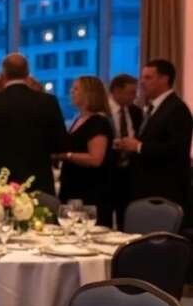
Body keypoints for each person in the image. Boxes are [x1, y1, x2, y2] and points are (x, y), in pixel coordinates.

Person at [0, 54, 69, 195]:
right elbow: (61, 145)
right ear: (27, 73)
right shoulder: (48, 102)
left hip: (0, 185)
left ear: (2, 75)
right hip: (38, 182)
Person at [115, 59, 193, 208]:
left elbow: (176, 150)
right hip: (145, 188)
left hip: (163, 191)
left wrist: (139, 146)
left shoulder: (177, 109)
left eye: (148, 78)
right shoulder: (152, 108)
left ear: (164, 79)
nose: (142, 83)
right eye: (142, 77)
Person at [56, 76, 114, 226]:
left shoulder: (98, 122)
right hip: (73, 186)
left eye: (76, 89)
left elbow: (96, 159)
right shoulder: (79, 119)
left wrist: (67, 155)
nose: (71, 91)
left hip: (91, 190)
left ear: (89, 94)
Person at [107, 74, 143, 229]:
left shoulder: (136, 111)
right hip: (108, 171)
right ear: (116, 90)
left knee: (126, 215)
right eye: (131, 92)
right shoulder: (103, 111)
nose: (134, 96)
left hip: (129, 172)